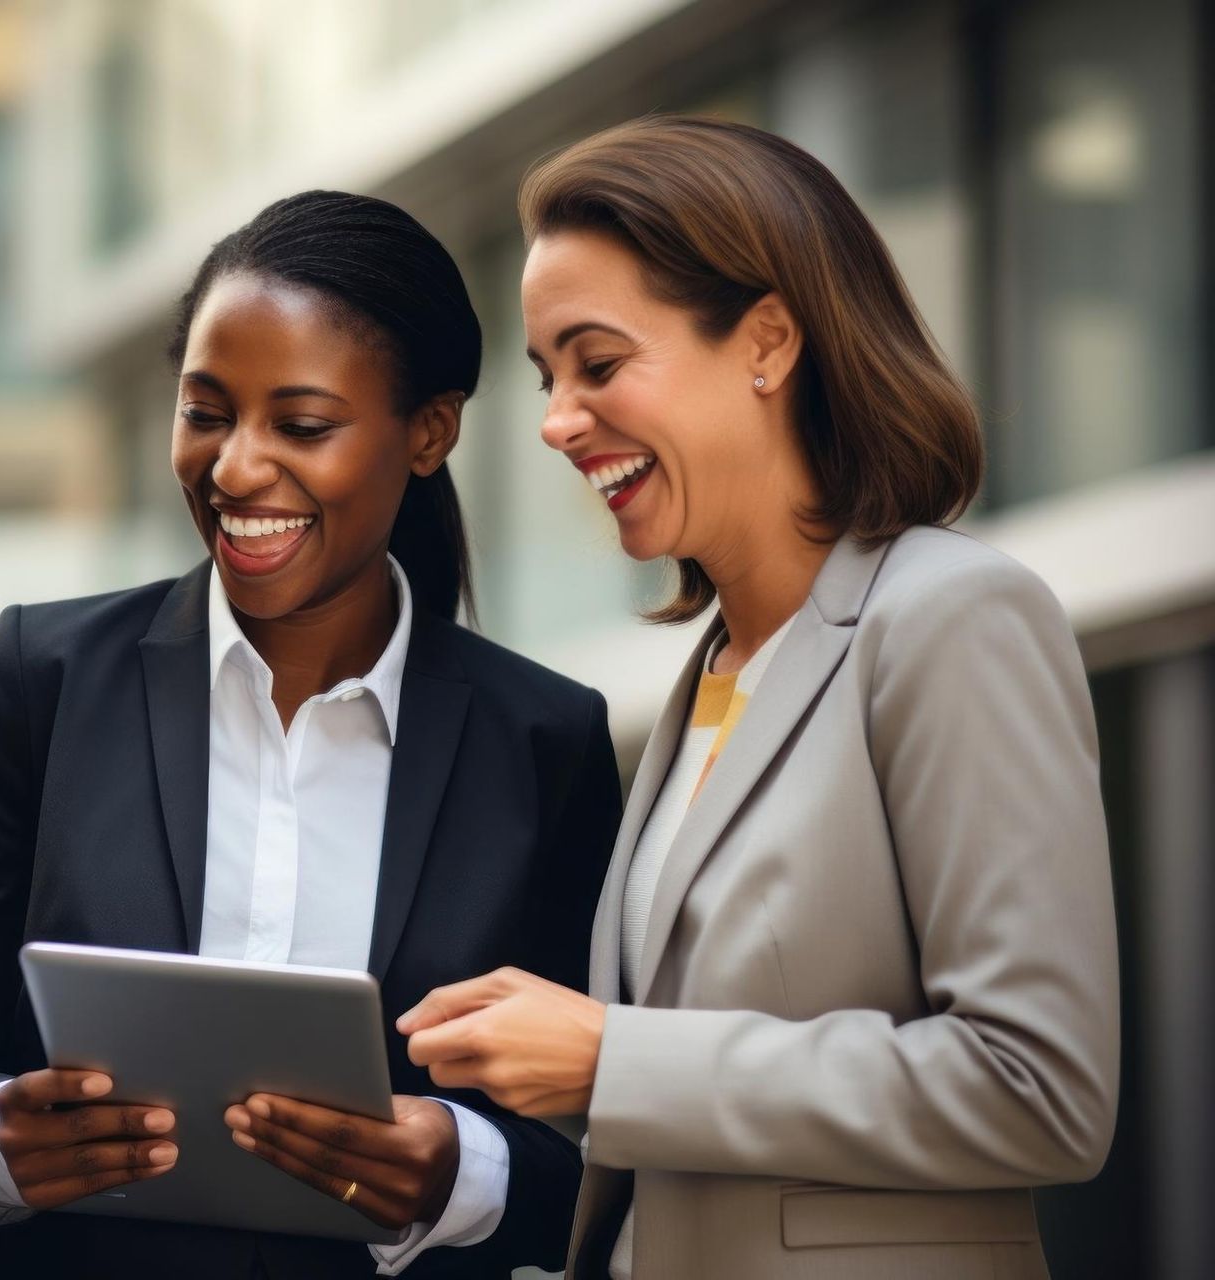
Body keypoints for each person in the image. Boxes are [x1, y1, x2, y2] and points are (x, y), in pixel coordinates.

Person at [398, 116, 1120, 1280]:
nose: (555, 420)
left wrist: (614, 1059)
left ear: (769, 341)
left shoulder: (952, 616)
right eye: (546, 378)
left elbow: (1038, 1086)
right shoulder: (709, 678)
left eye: (598, 361)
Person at [0, 190, 621, 1277]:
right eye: (205, 411)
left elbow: (603, 1142)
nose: (234, 468)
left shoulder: (543, 741)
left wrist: (460, 1169)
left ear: (430, 431)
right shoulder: (43, 678)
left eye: (302, 423)